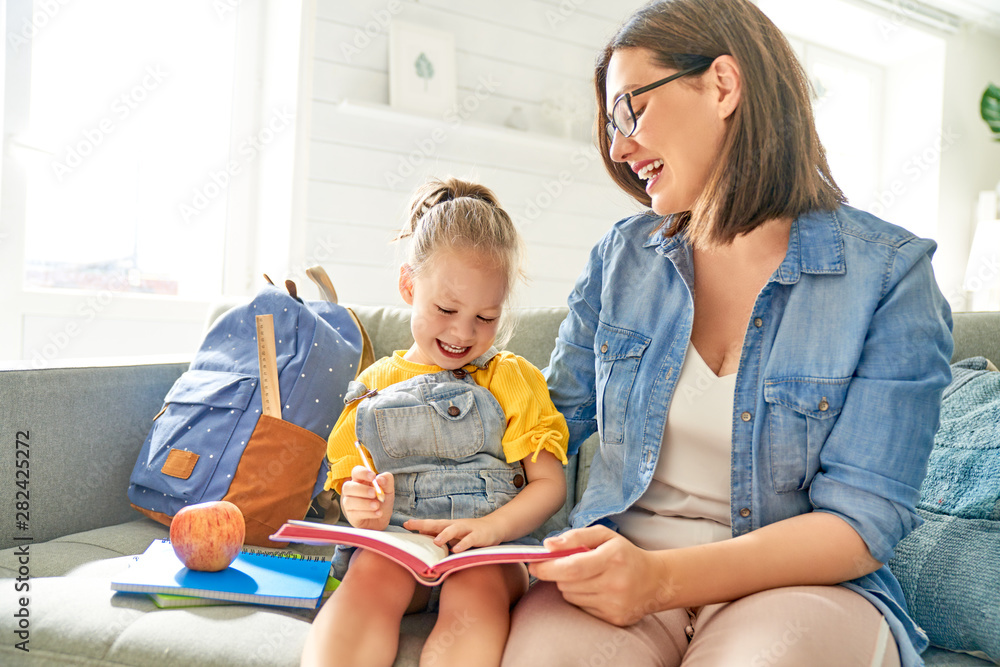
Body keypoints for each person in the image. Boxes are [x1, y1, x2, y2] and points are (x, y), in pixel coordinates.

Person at [500, 1, 954, 666]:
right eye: (610, 125)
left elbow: (862, 522)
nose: (619, 147)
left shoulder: (889, 275)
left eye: (631, 109)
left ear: (722, 85)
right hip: (616, 567)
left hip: (796, 587)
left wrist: (660, 581)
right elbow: (543, 426)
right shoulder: (621, 259)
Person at [300, 177, 570, 667]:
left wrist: (492, 528)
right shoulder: (373, 385)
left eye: (486, 317)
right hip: (401, 543)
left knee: (477, 592)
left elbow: (550, 484)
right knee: (368, 579)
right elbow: (350, 489)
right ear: (409, 286)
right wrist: (366, 510)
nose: (463, 332)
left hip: (489, 548)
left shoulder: (511, 377)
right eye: (446, 309)